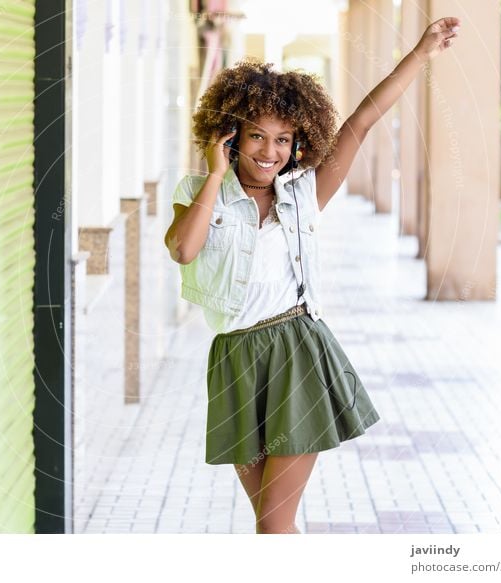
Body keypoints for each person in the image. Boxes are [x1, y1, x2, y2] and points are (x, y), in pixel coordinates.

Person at [164, 17, 460, 534]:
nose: (269, 152)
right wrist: (214, 173)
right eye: (257, 136)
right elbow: (184, 250)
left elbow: (361, 124)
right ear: (229, 136)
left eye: (283, 140)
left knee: (274, 526)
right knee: (270, 524)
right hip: (234, 360)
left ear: (298, 143)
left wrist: (418, 53)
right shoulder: (199, 191)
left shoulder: (302, 195)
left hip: (295, 353)